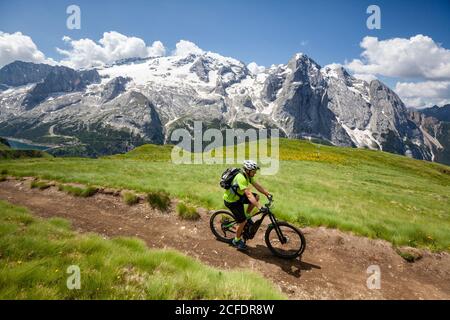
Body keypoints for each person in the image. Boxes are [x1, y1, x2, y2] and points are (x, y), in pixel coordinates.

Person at [223, 160, 271, 250]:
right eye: (254, 171)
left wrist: (267, 193)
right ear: (248, 170)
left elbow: (257, 186)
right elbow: (248, 194)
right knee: (242, 221)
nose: (255, 173)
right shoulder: (241, 177)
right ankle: (236, 240)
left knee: (256, 197)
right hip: (232, 201)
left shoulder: (247, 175)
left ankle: (247, 216)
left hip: (238, 196)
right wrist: (259, 207)